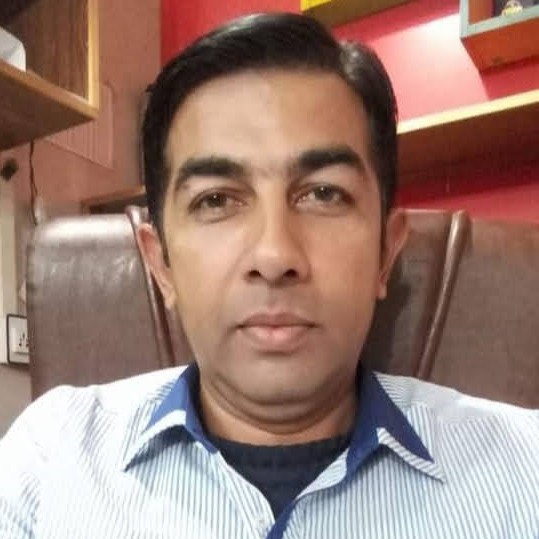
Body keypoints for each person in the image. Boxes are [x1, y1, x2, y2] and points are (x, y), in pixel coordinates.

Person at [1, 12, 537, 539]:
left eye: (324, 193)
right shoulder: (49, 459)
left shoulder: (523, 471)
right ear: (160, 264)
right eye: (216, 200)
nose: (275, 255)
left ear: (385, 253)